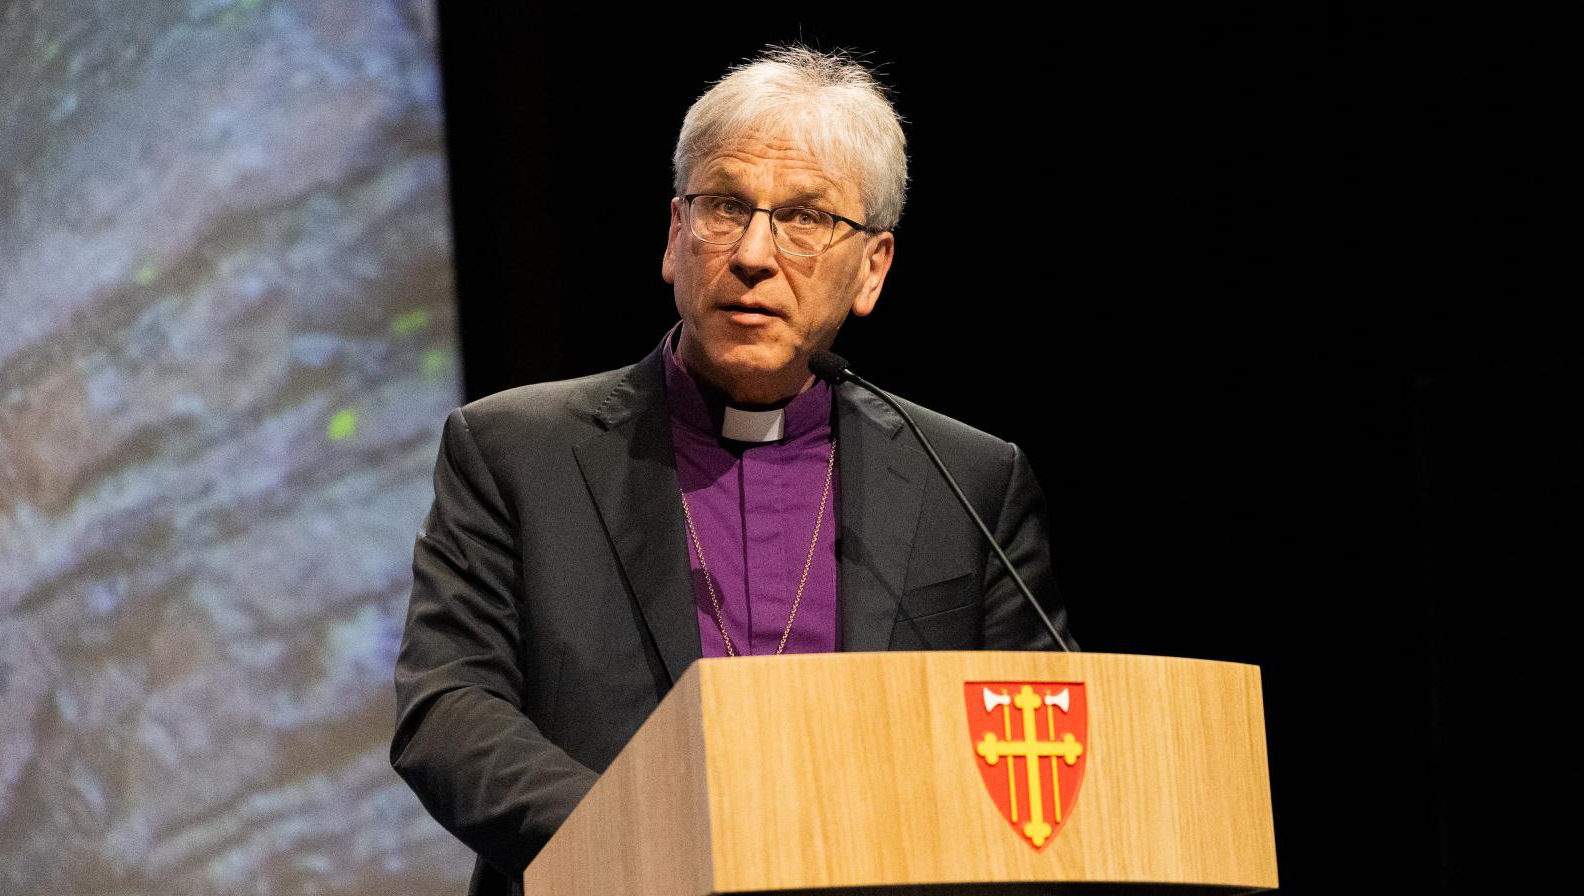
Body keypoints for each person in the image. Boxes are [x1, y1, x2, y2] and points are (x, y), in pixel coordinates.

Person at [391, 44, 1077, 896]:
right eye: (724, 207)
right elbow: (448, 714)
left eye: (805, 218)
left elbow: (1040, 742)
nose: (754, 254)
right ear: (676, 237)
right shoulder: (515, 452)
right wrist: (645, 843)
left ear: (873, 268)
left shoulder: (968, 482)